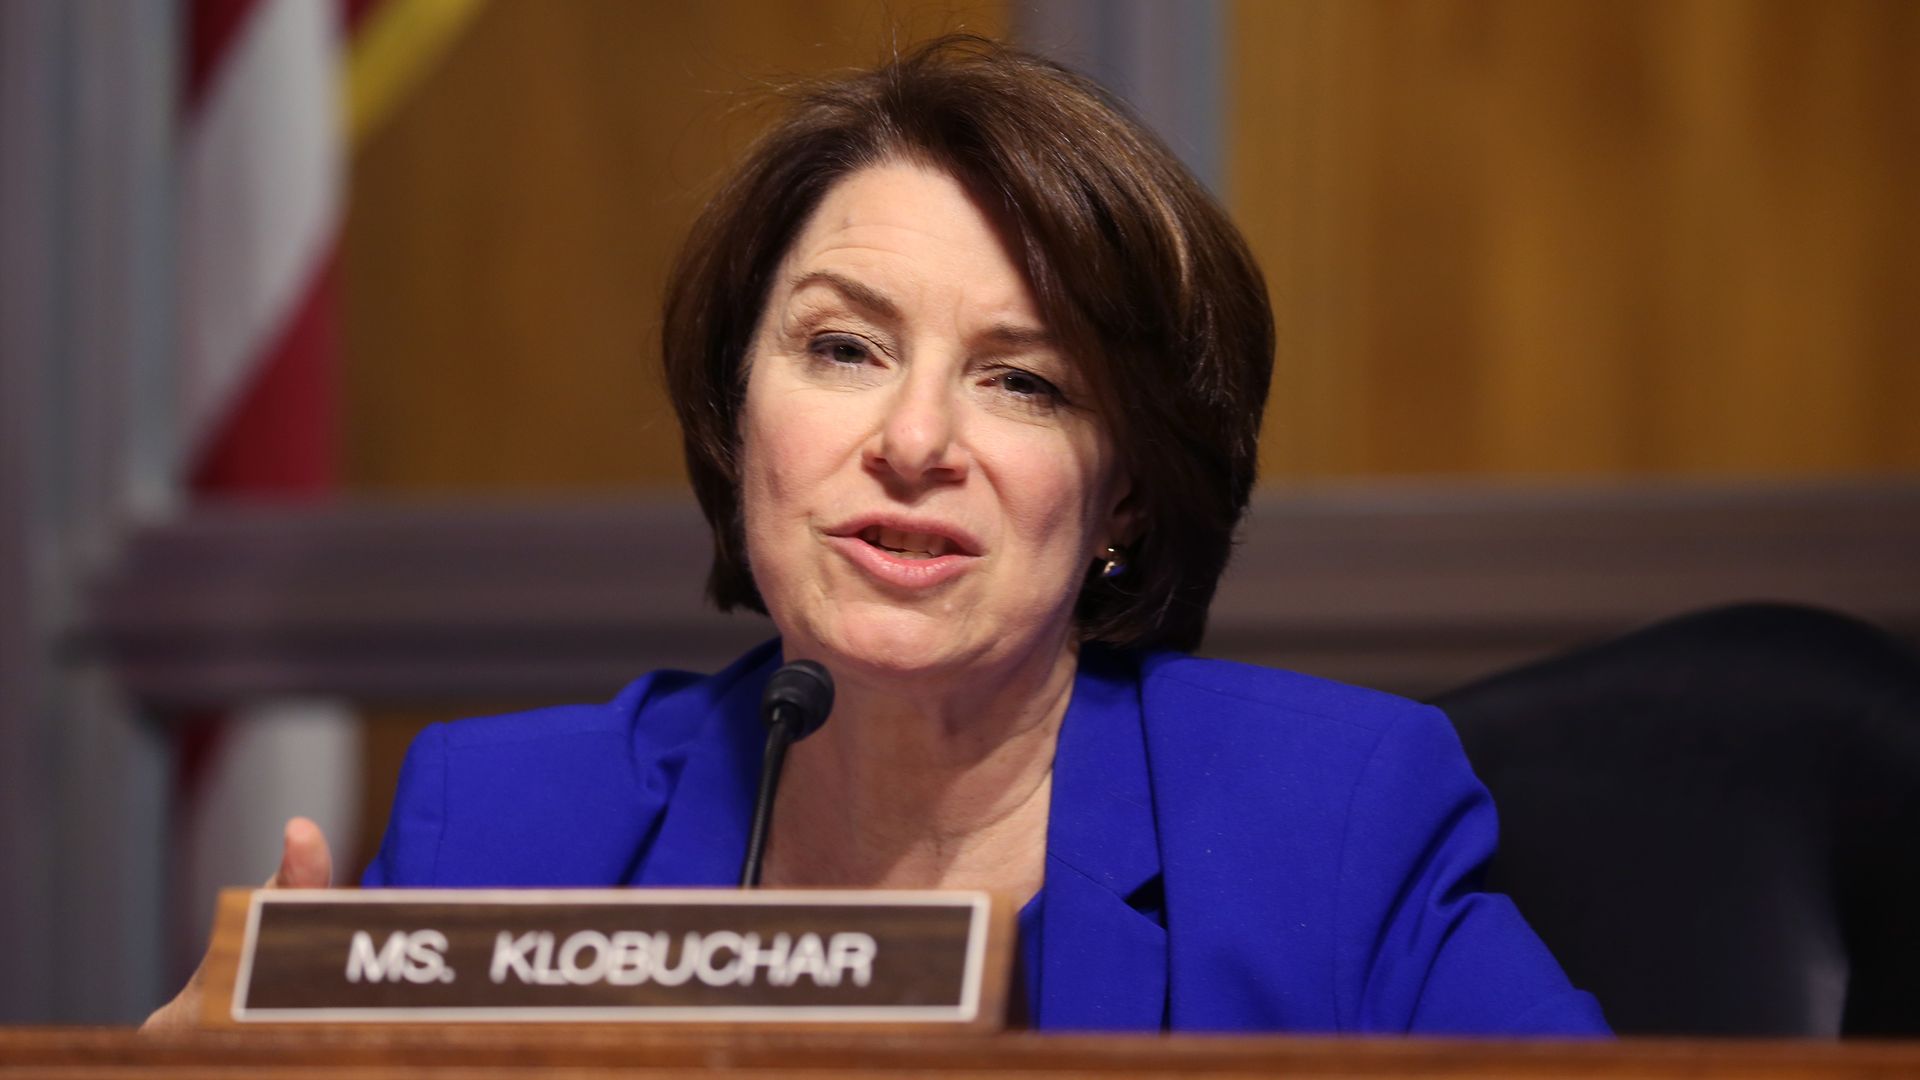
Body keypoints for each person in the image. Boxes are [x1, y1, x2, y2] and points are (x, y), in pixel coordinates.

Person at [148, 35, 1608, 1034]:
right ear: (738, 417)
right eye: (843, 350)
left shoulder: (1326, 824)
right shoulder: (511, 825)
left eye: (1023, 381)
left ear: (1130, 495)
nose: (913, 442)